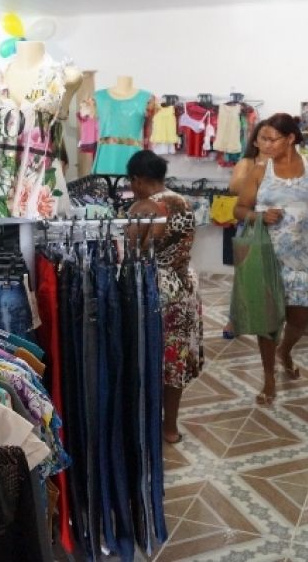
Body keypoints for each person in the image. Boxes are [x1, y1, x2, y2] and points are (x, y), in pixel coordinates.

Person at [234, 113, 308, 405]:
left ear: (290, 138)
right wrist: (259, 216)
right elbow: (239, 209)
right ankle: (268, 378)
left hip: (304, 259)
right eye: (262, 139)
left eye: (272, 139)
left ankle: (285, 351)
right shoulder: (259, 171)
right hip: (266, 258)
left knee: (300, 317)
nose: (265, 145)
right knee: (268, 321)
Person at [126, 150, 203, 444]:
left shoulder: (144, 207)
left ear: (138, 179)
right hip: (184, 287)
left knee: (146, 356)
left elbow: (132, 252)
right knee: (175, 360)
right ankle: (170, 427)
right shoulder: (183, 202)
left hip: (155, 289)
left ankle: (144, 424)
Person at [223, 120, 266, 339]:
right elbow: (234, 187)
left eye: (274, 138)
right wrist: (262, 176)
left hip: (279, 226)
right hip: (249, 224)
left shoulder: (287, 164)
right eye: (264, 138)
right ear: (255, 141)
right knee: (244, 275)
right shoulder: (248, 163)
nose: (269, 143)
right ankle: (234, 319)